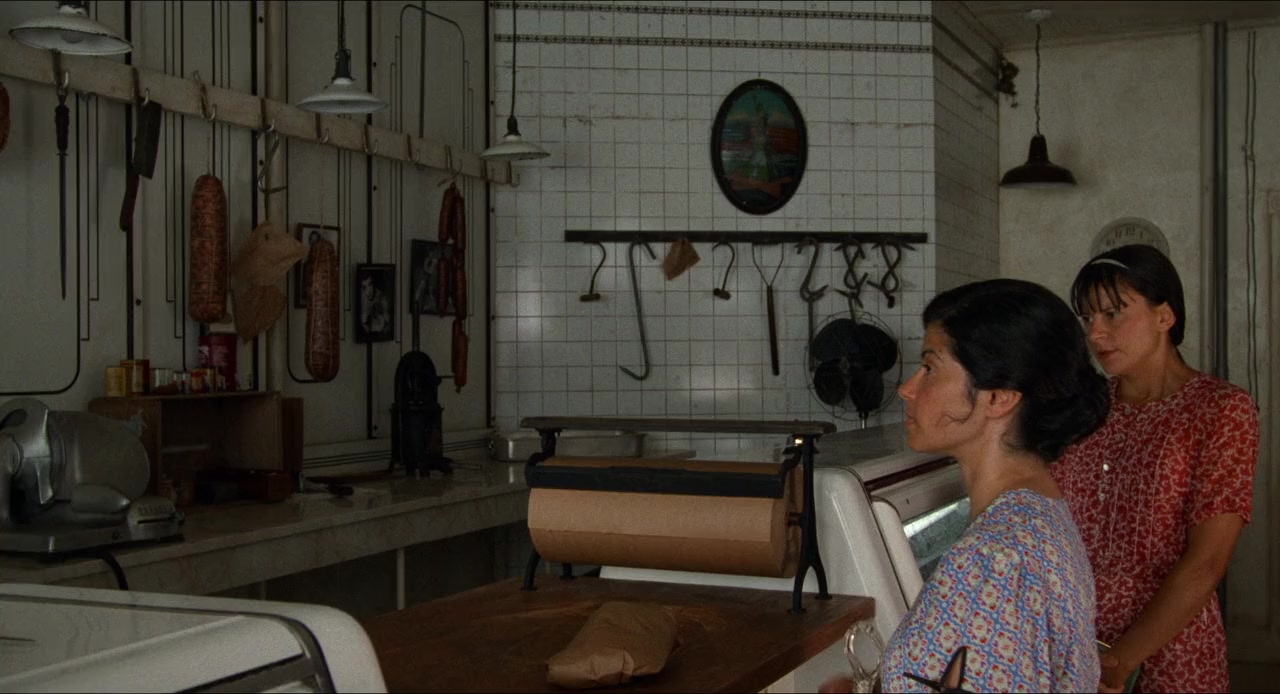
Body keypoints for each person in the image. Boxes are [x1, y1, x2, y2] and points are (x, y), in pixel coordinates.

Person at [824, 278, 1109, 693]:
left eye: (929, 368)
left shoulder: (989, 563)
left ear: (998, 398)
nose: (907, 389)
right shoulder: (1040, 511)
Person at [1054, 244, 1260, 693]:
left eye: (1113, 314)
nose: (1096, 332)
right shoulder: (1086, 410)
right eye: (1088, 318)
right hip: (1075, 644)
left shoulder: (1219, 409)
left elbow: (1207, 562)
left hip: (1171, 649)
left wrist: (1120, 661)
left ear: (1164, 316)